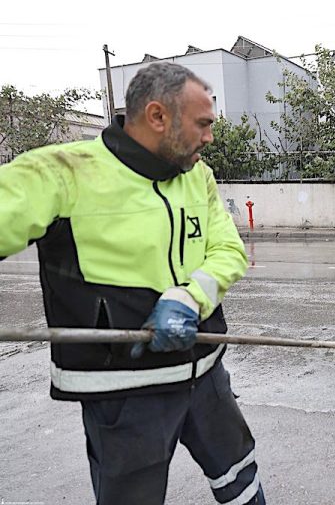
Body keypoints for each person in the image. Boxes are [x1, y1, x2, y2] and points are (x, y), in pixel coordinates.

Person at [0, 63, 265, 505]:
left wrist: (188, 297)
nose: (210, 137)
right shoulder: (62, 172)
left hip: (205, 374)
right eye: (203, 124)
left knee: (240, 475)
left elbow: (229, 251)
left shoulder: (197, 174)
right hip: (124, 391)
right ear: (158, 117)